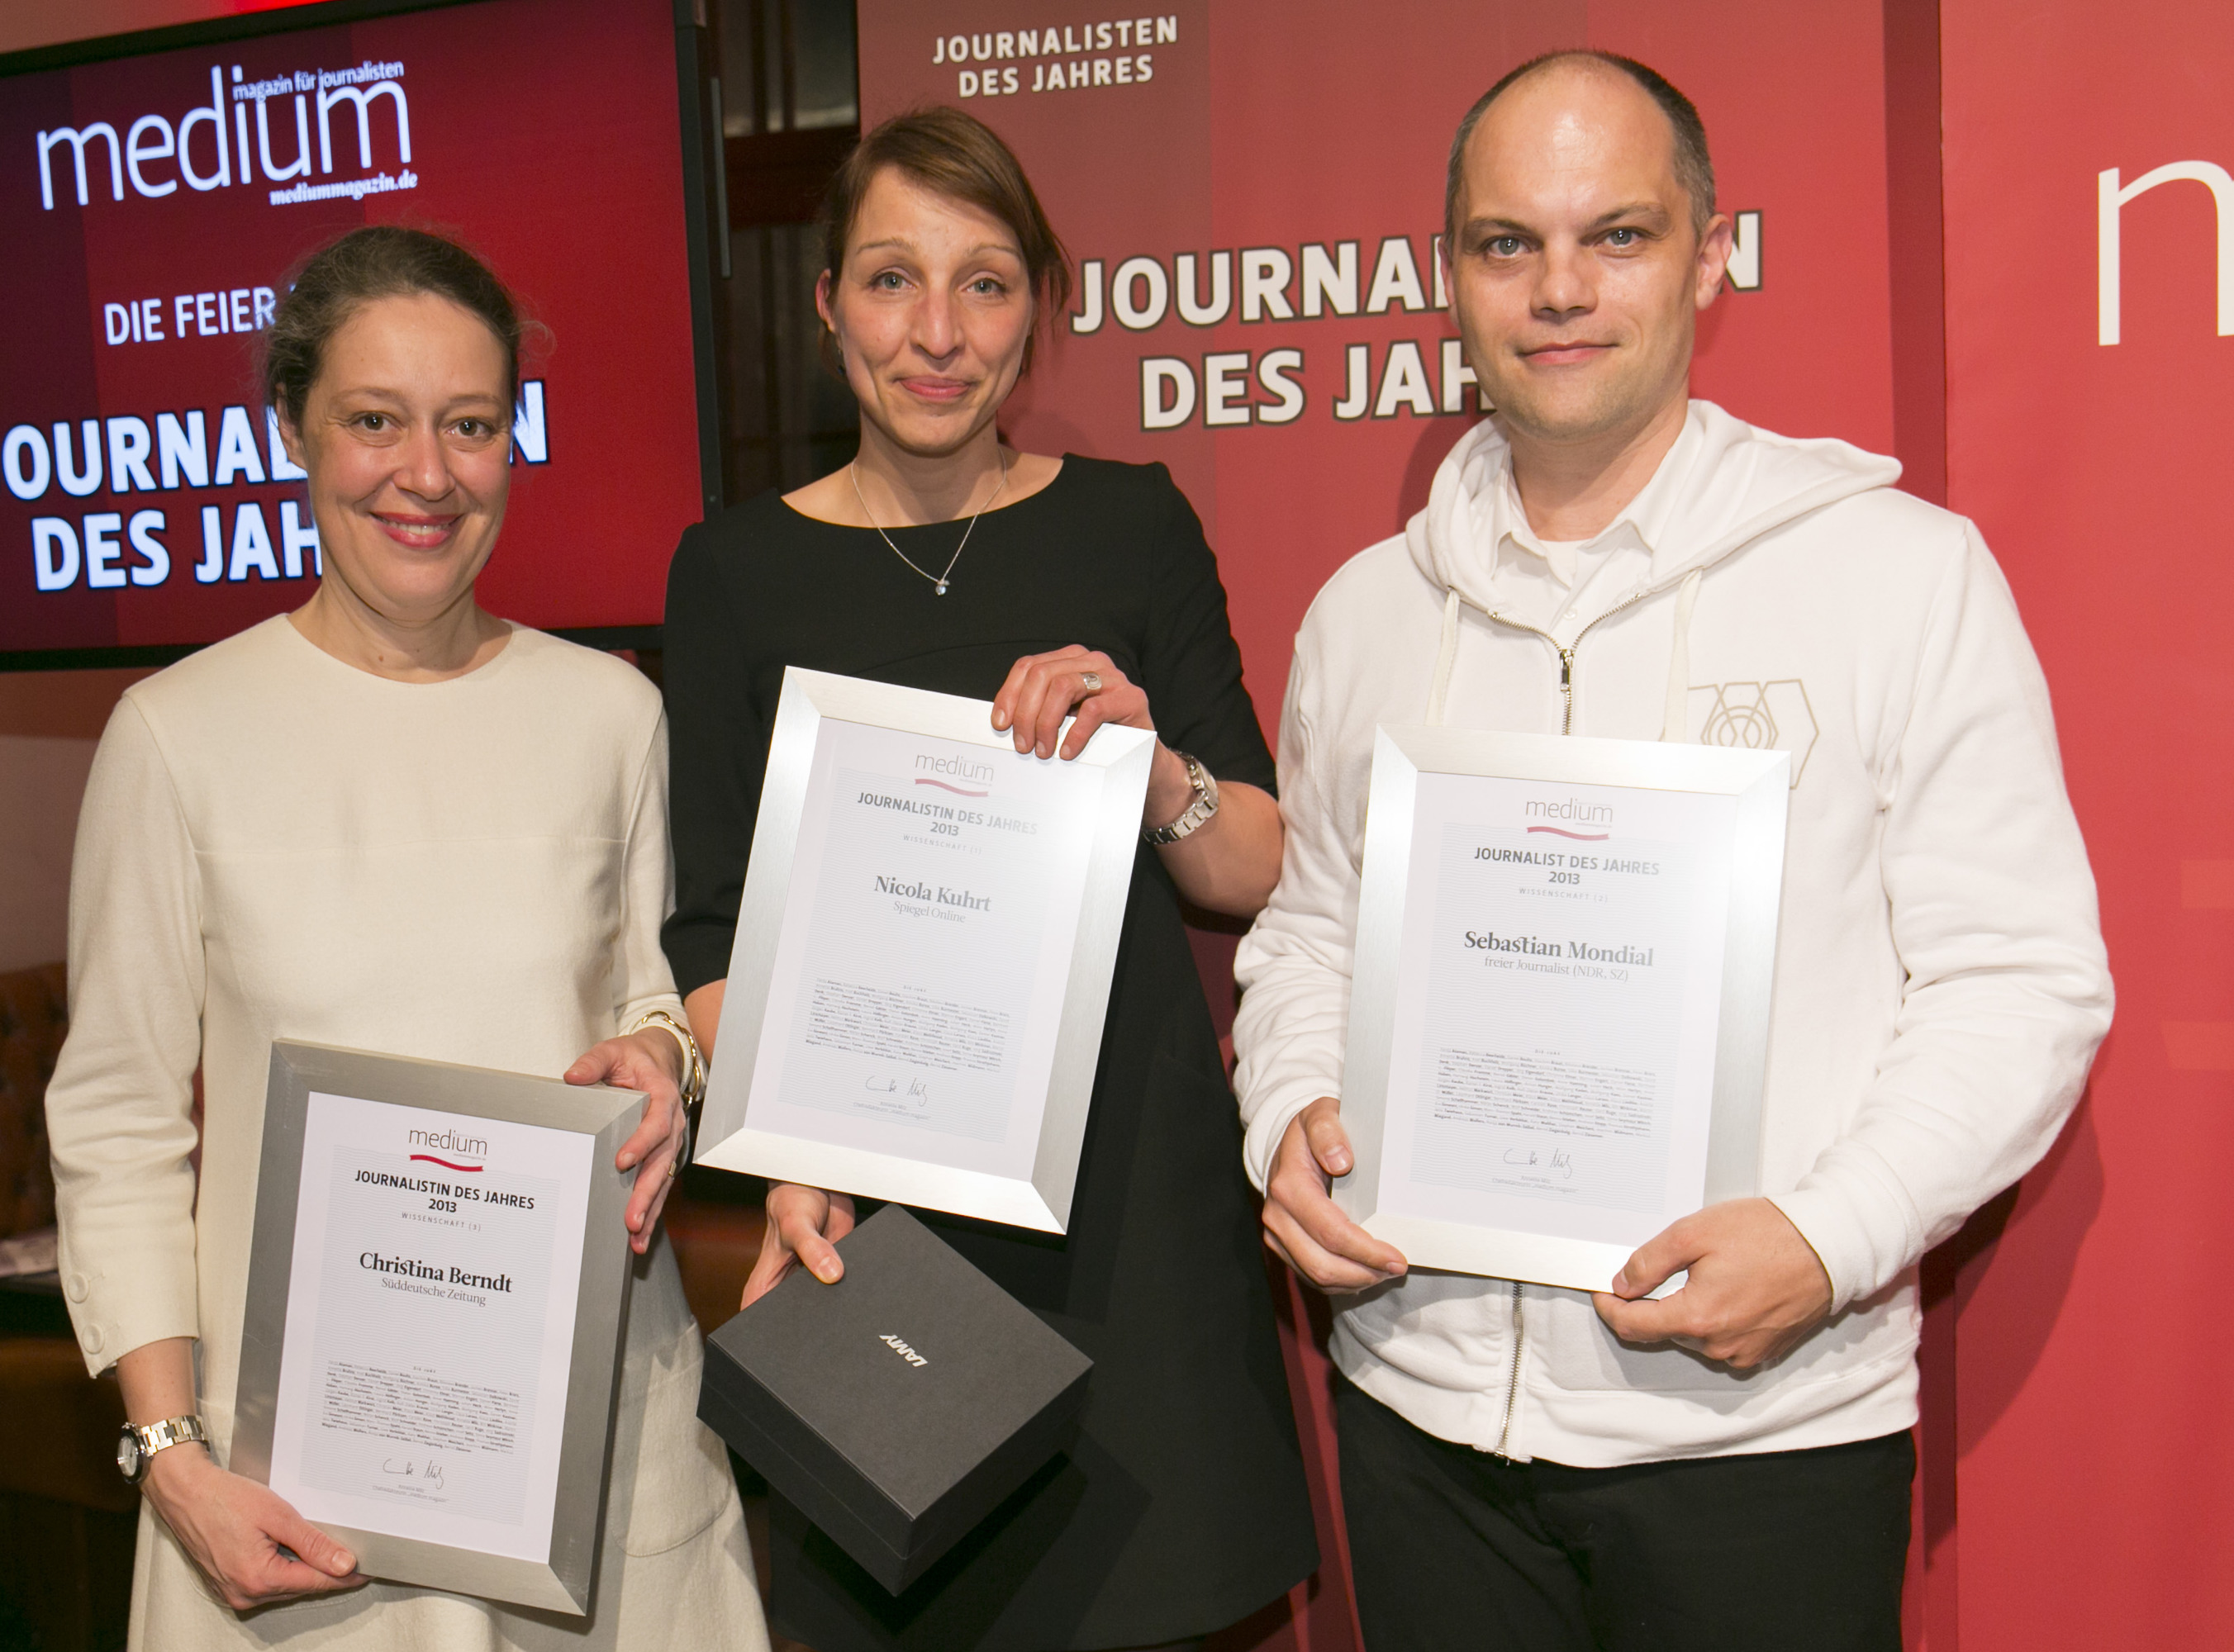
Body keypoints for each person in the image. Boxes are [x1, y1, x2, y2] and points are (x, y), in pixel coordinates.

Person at [1233, 51, 2112, 1652]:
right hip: (1419, 1413)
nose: (1559, 289)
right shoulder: (1367, 611)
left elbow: (2022, 977)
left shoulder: (1897, 575)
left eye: (1617, 235)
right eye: (1507, 243)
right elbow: (1307, 929)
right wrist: (1288, 1110)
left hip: (1759, 1431)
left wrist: (1830, 1238)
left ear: (1711, 253)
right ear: (1447, 276)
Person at [45, 226, 767, 1652]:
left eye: (470, 426)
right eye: (375, 422)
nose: (425, 474)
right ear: (295, 435)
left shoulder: (611, 711)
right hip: (296, 1496)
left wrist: (663, 1061)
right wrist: (170, 1460)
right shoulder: (176, 738)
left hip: (601, 1460)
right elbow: (120, 1118)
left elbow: (655, 1000)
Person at [661, 108, 1318, 1651]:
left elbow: (1254, 861)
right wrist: (786, 1154)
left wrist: (1155, 773)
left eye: (987, 284)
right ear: (825, 302)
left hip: (1138, 1220)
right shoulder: (734, 570)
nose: (937, 336)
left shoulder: (1132, 522)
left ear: (1041, 309)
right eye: (892, 281)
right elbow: (709, 918)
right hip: (880, 1229)